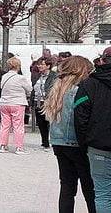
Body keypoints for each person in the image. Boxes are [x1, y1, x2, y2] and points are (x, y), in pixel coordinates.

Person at [44, 56, 97, 213]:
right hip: (76, 142)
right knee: (89, 186)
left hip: (58, 142)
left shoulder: (57, 89)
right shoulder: (78, 91)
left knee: (67, 186)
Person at [75, 48, 111, 212]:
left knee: (103, 194)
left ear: (102, 61)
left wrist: (84, 143)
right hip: (98, 145)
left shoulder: (89, 84)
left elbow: (80, 117)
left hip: (98, 146)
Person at [0, 57, 32, 154]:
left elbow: (1, 87)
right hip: (17, 103)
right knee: (18, 126)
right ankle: (19, 147)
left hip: (4, 103)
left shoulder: (4, 77)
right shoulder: (20, 78)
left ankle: (3, 146)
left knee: (4, 125)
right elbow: (29, 89)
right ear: (18, 66)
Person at [33, 58, 55, 151]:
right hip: (38, 102)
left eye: (42, 64)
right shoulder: (37, 76)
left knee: (48, 122)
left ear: (48, 66)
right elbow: (33, 89)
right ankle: (44, 142)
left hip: (48, 102)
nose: (39, 66)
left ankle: (51, 142)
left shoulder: (54, 76)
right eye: (39, 64)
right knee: (41, 123)